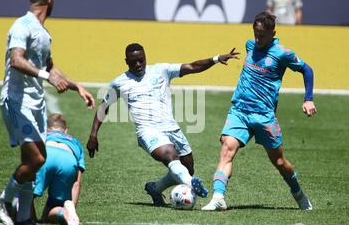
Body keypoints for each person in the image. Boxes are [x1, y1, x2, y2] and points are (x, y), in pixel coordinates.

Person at [0, 0, 95, 225]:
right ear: (51, 1)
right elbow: (16, 60)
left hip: (35, 102)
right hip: (18, 99)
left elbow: (51, 69)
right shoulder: (22, 25)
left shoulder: (43, 33)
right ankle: (6, 199)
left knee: (37, 160)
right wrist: (45, 75)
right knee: (37, 159)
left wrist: (76, 87)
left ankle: (25, 220)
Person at [86, 43, 240, 206]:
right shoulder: (119, 83)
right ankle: (191, 183)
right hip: (147, 131)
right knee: (170, 156)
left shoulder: (161, 70)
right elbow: (104, 106)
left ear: (145, 58)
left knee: (187, 167)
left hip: (171, 128)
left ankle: (155, 188)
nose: (138, 65)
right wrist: (93, 134)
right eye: (133, 62)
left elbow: (193, 66)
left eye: (141, 60)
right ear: (126, 61)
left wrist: (216, 59)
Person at [202, 11, 316, 212]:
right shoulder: (250, 46)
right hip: (239, 110)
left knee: (279, 162)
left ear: (273, 32)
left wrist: (308, 99)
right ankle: (218, 197)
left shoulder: (283, 54)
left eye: (262, 35)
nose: (257, 39)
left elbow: (307, 70)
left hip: (264, 116)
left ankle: (298, 193)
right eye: (255, 33)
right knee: (227, 149)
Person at [30, 113, 85, 225]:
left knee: (26, 194)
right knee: (51, 213)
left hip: (46, 154)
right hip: (68, 160)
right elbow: (77, 183)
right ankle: (64, 212)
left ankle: (30, 221)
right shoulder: (75, 142)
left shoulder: (43, 135)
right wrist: (73, 207)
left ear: (46, 129)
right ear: (66, 131)